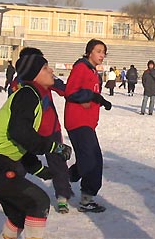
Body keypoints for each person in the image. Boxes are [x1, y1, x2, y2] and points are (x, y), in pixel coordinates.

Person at [0, 51, 72, 239]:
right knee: (38, 202)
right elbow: (20, 133)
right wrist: (54, 147)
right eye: (45, 67)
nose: (51, 70)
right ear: (35, 74)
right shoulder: (28, 94)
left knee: (19, 214)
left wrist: (40, 170)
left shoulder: (34, 96)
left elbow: (19, 142)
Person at [9, 47, 74, 214]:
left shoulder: (47, 79)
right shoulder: (18, 84)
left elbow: (64, 90)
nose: (46, 69)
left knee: (58, 162)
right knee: (20, 163)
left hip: (51, 129)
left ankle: (62, 196)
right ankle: (15, 194)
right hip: (30, 132)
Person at [64, 39, 112, 213]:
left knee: (94, 159)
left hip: (87, 123)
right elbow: (71, 91)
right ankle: (65, 179)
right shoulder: (81, 67)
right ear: (89, 52)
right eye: (98, 51)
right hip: (77, 121)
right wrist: (90, 96)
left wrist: (99, 100)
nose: (102, 55)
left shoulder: (92, 71)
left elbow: (89, 94)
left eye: (104, 52)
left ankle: (85, 196)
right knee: (90, 160)